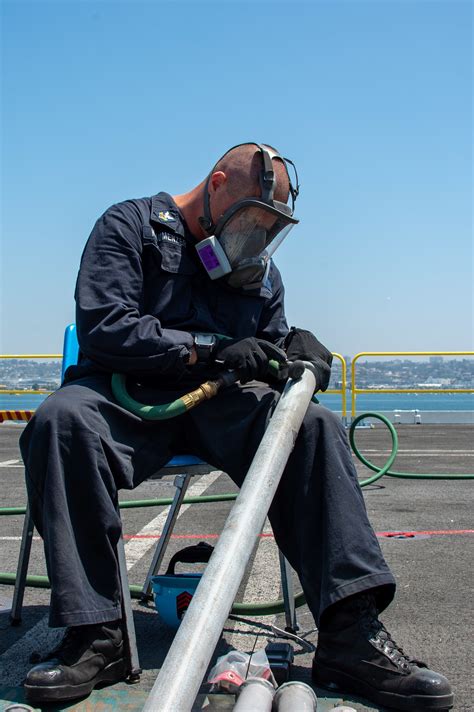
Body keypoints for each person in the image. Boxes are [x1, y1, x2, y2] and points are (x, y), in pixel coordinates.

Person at [20, 143, 453, 710]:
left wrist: (295, 353)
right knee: (61, 420)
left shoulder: (259, 274)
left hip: (221, 405)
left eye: (273, 228)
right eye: (255, 221)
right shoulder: (129, 227)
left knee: (312, 426)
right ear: (218, 184)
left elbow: (266, 350)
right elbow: (105, 326)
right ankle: (95, 634)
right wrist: (210, 348)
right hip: (126, 395)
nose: (262, 239)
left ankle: (351, 636)